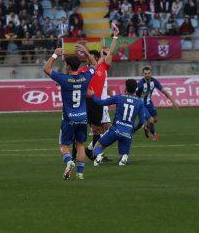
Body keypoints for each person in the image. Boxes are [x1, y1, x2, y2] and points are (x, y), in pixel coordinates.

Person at [43, 46, 96, 180]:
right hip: (83, 118)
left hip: (69, 118)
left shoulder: (64, 79)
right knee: (80, 145)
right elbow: (95, 64)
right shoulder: (85, 77)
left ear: (67, 66)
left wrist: (55, 55)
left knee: (64, 145)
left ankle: (68, 161)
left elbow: (46, 69)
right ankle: (80, 173)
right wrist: (86, 52)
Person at [79, 27, 119, 161]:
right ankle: (87, 151)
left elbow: (111, 53)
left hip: (100, 103)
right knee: (89, 129)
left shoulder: (102, 67)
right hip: (87, 102)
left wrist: (115, 37)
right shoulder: (85, 70)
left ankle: (93, 151)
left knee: (101, 130)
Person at [88, 79, 144, 166]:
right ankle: (123, 158)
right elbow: (141, 121)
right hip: (128, 133)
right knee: (121, 157)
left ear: (126, 88)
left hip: (116, 130)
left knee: (97, 147)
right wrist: (134, 130)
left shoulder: (119, 97)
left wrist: (93, 95)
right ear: (136, 89)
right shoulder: (139, 102)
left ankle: (99, 155)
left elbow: (101, 102)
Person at [136, 67, 179, 141]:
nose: (147, 75)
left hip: (149, 103)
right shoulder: (140, 84)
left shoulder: (154, 81)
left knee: (155, 120)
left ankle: (146, 127)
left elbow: (163, 91)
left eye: (148, 73)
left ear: (151, 73)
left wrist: (173, 101)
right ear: (143, 74)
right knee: (151, 120)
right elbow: (134, 95)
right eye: (145, 74)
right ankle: (154, 134)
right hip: (141, 105)